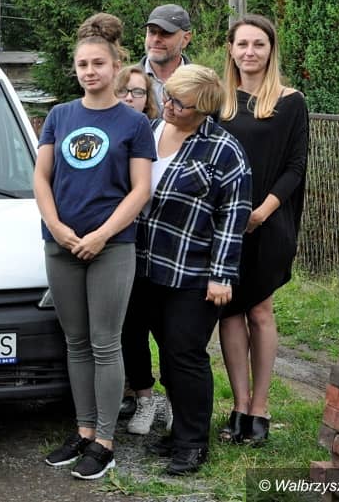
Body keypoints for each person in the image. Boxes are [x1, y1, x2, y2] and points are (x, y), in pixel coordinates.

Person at [36, 13, 155, 480]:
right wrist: (56, 227)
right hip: (61, 244)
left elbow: (140, 189)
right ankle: (83, 431)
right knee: (76, 342)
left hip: (111, 247)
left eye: (98, 63)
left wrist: (102, 234)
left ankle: (105, 442)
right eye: (83, 64)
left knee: (106, 343)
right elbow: (41, 178)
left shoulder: (134, 123)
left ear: (116, 66)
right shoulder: (60, 116)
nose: (90, 71)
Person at [136, 64, 251, 475]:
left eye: (179, 104)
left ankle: (192, 443)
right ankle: (179, 431)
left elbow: (233, 215)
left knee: (185, 353)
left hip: (194, 271)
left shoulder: (224, 150)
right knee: (166, 352)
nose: (168, 106)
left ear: (203, 110)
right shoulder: (151, 130)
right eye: (167, 97)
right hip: (146, 265)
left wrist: (221, 274)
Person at [217, 14, 309, 446]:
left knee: (259, 310)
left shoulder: (291, 102)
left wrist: (261, 212)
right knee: (229, 311)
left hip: (269, 221)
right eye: (242, 44)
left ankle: (260, 407)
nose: (250, 52)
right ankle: (238, 405)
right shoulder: (219, 101)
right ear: (231, 50)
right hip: (224, 224)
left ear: (271, 50)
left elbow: (295, 166)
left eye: (258, 44)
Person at [112, 65, 172, 437]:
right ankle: (144, 397)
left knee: (168, 329)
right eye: (124, 91)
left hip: (160, 246)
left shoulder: (159, 132)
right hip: (122, 245)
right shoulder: (105, 132)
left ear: (148, 99)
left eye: (138, 92)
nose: (130, 98)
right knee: (131, 327)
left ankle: (175, 396)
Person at [139, 4, 192, 113]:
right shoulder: (123, 83)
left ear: (185, 39)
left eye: (166, 33)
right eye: (152, 32)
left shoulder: (203, 86)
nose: (156, 39)